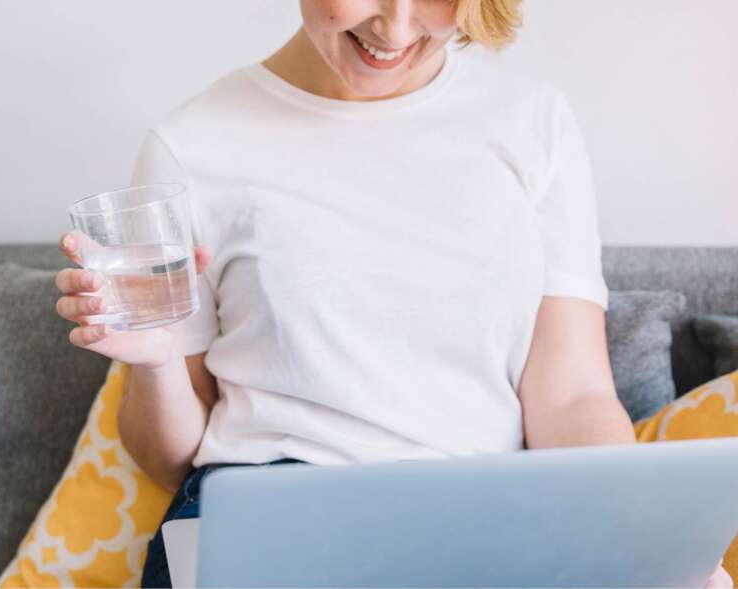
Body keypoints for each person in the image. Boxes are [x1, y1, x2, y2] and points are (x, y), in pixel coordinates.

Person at [53, 1, 733, 587]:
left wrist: (646, 545)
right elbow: (167, 454)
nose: (397, 26)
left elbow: (572, 398)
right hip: (269, 514)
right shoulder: (191, 145)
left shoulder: (534, 125)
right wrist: (156, 362)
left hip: (478, 521)